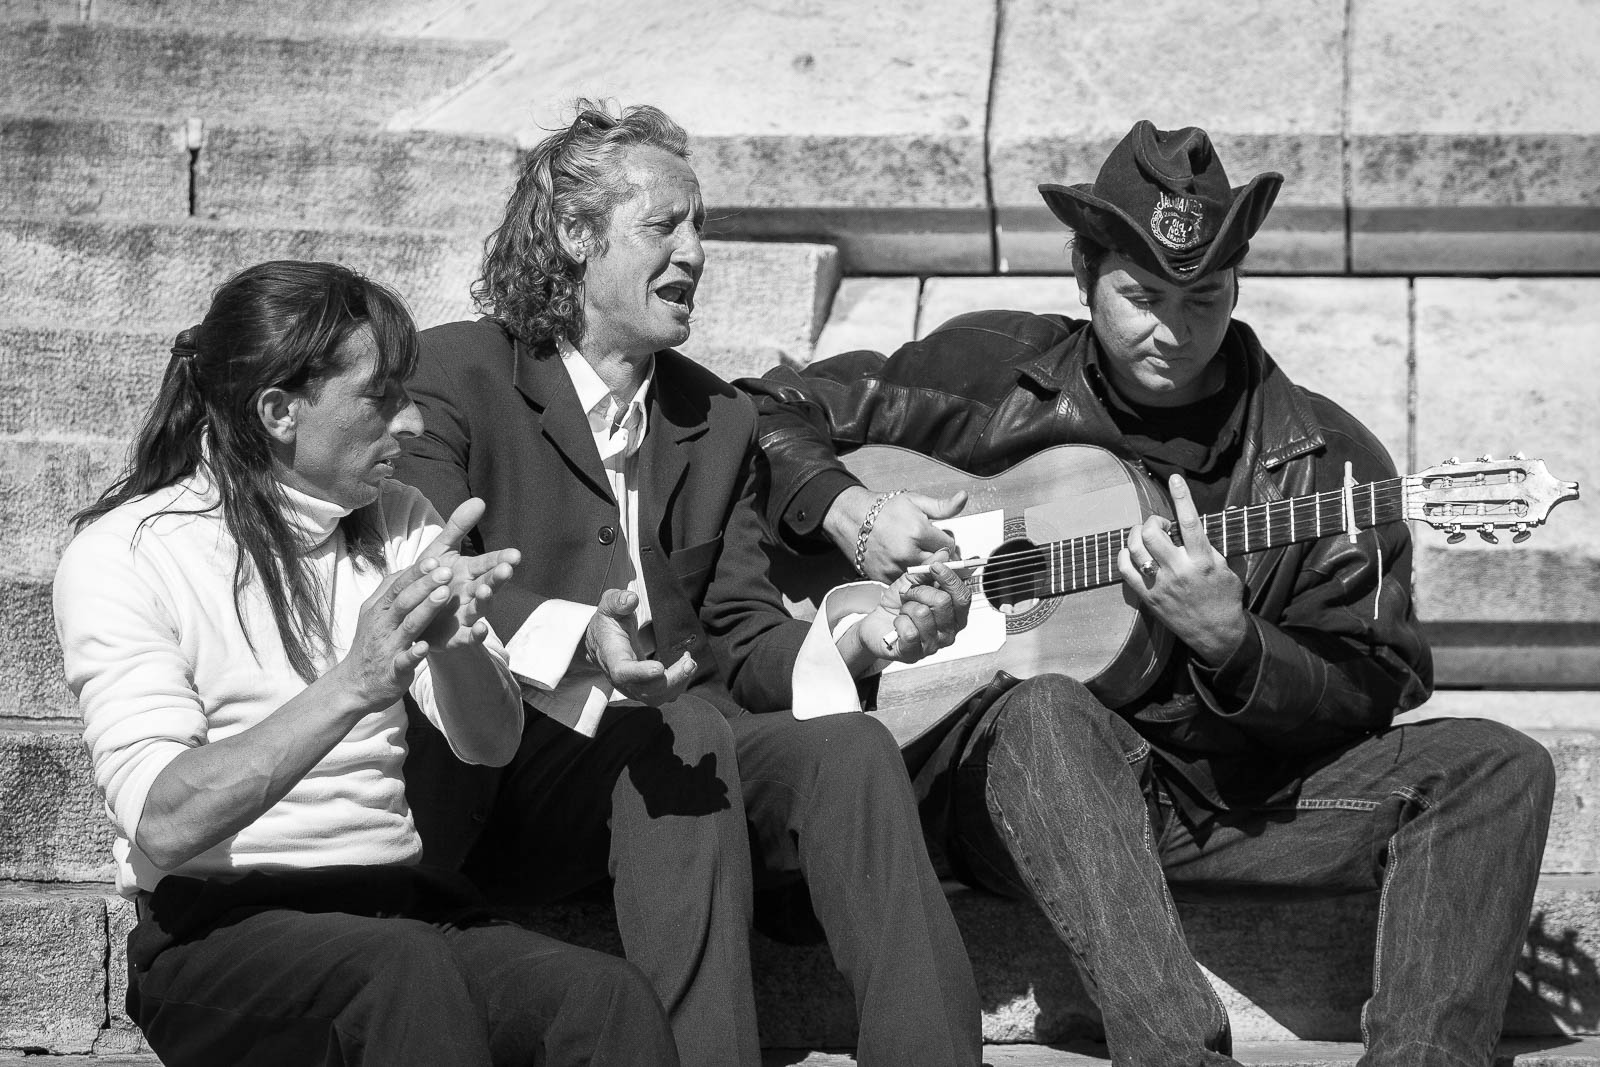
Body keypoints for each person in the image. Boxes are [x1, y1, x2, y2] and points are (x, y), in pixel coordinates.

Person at [738, 120, 1557, 1067]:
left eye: (1205, 293)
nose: (1173, 326)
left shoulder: (1326, 464)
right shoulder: (990, 374)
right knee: (1047, 707)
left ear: (1239, 282)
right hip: (1021, 795)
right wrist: (852, 511)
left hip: (1223, 798)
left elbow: (1376, 684)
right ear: (1083, 277)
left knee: (1499, 765)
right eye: (1141, 295)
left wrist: (1237, 648)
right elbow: (763, 408)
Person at [393, 101, 981, 1067]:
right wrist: (586, 636)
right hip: (507, 770)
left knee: (852, 750)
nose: (697, 250)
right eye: (665, 224)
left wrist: (874, 634)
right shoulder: (457, 374)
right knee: (683, 725)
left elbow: (743, 634)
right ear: (576, 236)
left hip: (683, 768)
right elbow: (435, 570)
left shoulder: (718, 416)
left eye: (699, 223)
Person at [53, 260, 680, 1067]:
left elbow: (488, 744)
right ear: (279, 411)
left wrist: (457, 645)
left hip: (395, 913)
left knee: (605, 1000)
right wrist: (352, 683)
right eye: (381, 397)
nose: (414, 422)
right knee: (403, 975)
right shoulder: (127, 554)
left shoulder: (402, 521)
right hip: (218, 934)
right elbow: (165, 823)